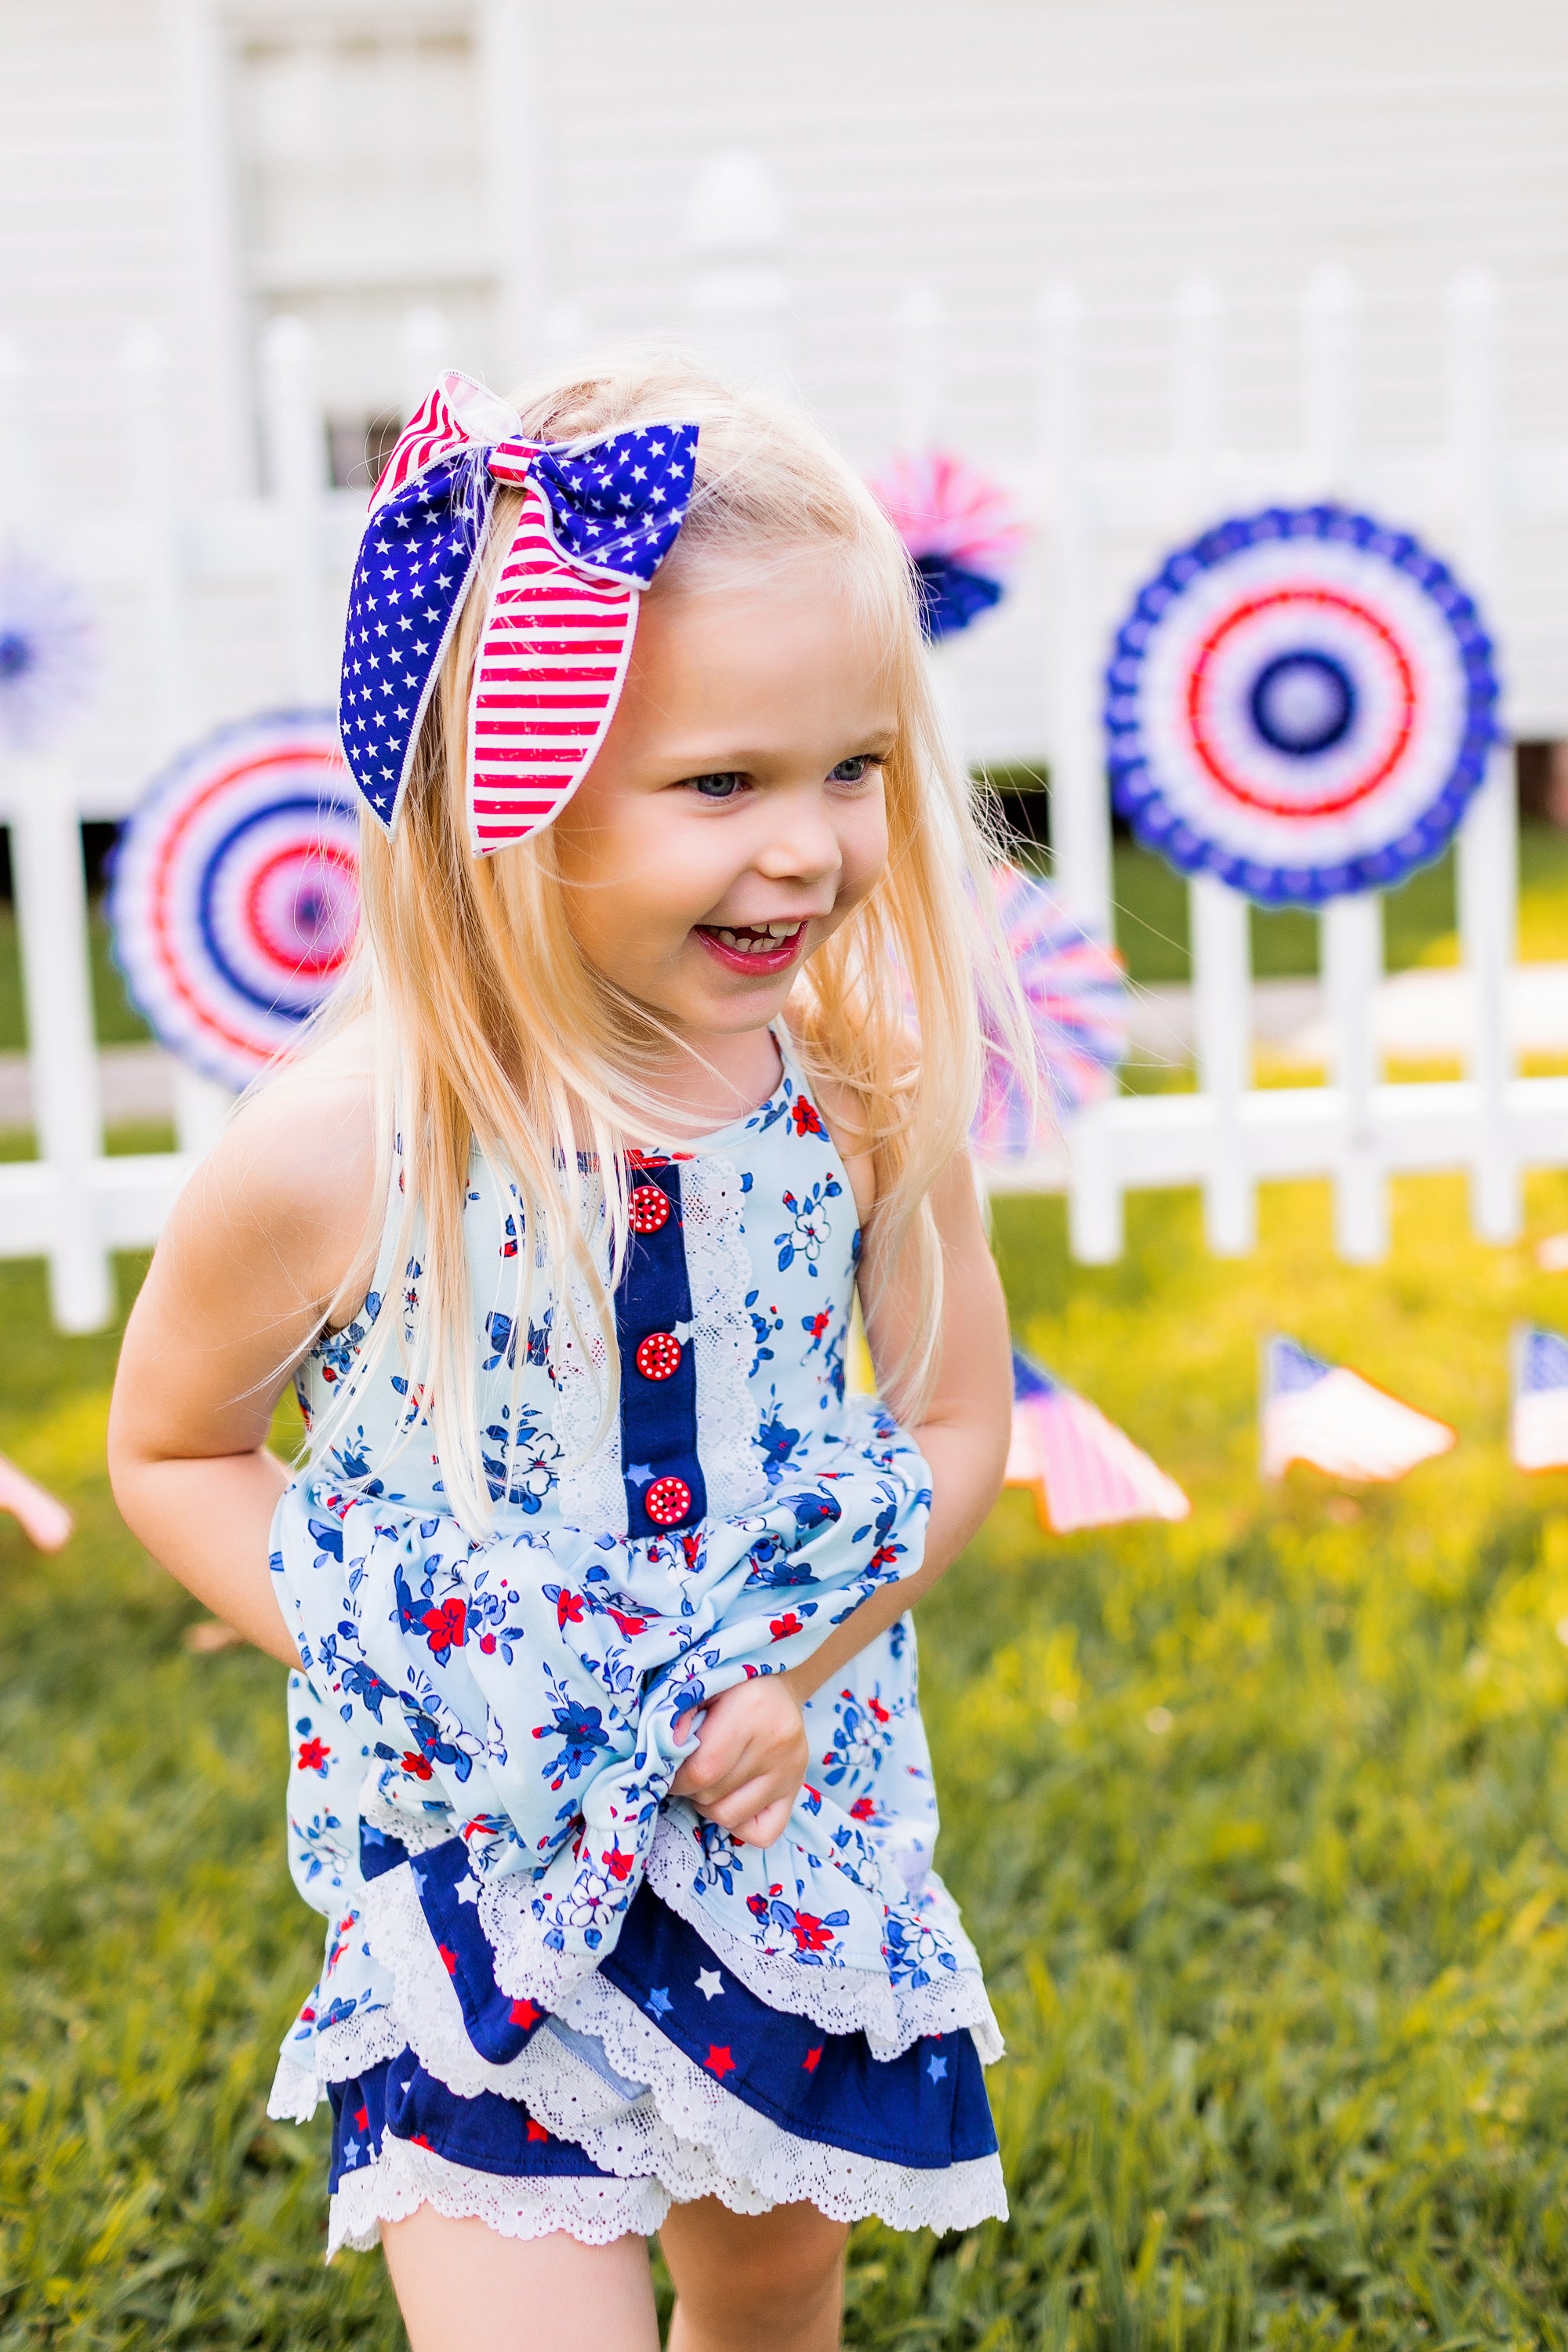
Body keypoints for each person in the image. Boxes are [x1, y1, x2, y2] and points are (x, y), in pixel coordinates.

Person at [108, 358, 1023, 2352]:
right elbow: (176, 1450)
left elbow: (954, 1420)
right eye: (721, 785)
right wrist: (426, 1653)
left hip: (787, 1840)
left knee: (771, 2296)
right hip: (482, 1867)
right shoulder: (349, 1145)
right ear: (508, 793)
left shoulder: (858, 1105)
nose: (807, 849)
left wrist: (801, 1657)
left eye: (851, 767)